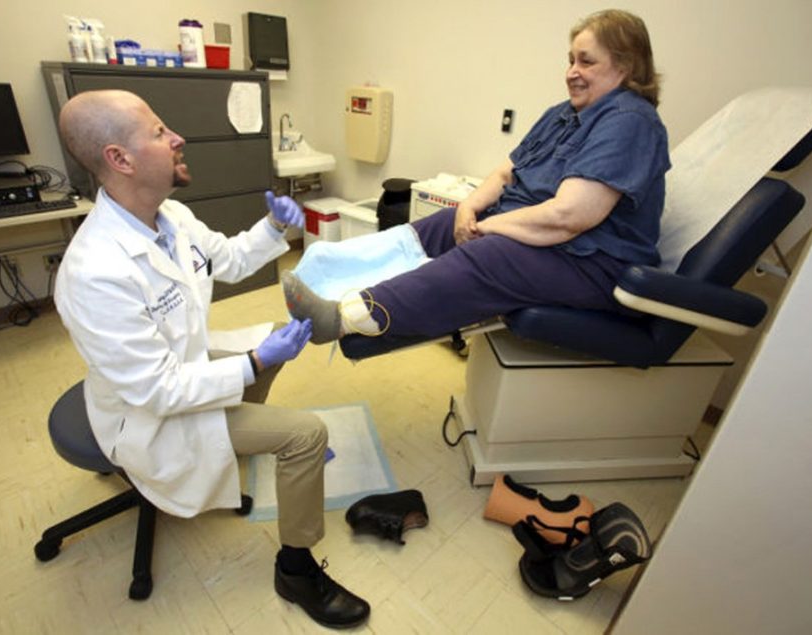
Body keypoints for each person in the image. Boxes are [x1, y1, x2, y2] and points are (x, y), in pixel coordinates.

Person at [54, 90, 369, 628]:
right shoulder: (94, 272)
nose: (177, 137)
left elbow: (228, 258)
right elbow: (157, 391)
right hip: (149, 415)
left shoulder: (168, 215)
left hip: (182, 371)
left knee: (274, 338)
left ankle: (231, 446)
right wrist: (251, 363)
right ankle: (295, 570)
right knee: (305, 435)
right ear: (120, 160)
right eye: (158, 132)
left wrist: (274, 228)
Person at [284, 9, 670, 345]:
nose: (571, 72)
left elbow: (568, 216)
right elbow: (506, 171)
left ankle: (345, 318)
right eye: (570, 60)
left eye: (586, 62)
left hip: (591, 264)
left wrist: (492, 227)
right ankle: (325, 268)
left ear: (625, 66)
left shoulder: (630, 121)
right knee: (441, 224)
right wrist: (468, 207)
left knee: (489, 255)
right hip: (545, 241)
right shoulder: (564, 113)